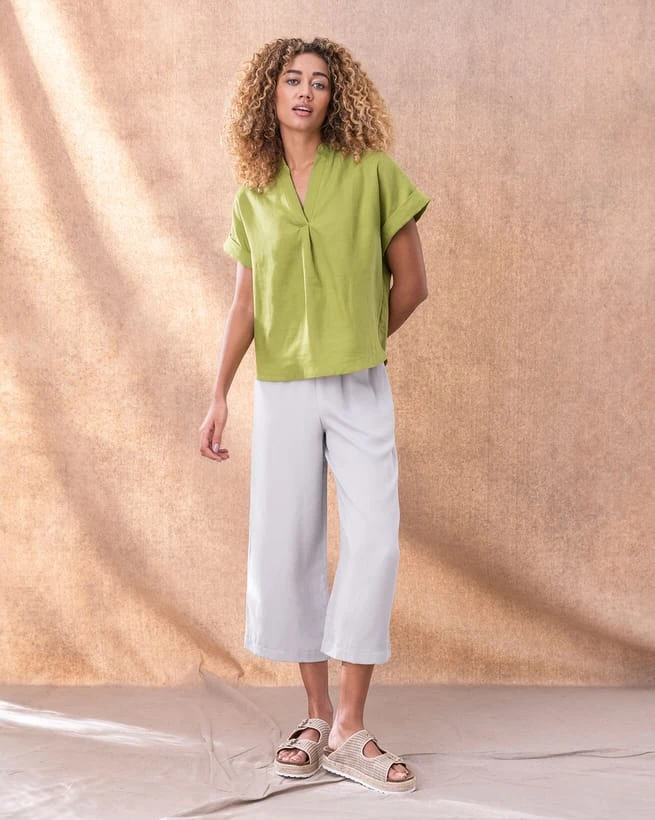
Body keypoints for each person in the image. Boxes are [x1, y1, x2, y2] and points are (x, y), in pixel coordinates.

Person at [199, 37, 430, 795]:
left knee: (375, 541)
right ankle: (314, 714)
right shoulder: (252, 194)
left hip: (358, 381)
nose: (305, 91)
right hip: (283, 390)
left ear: (337, 98)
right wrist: (218, 394)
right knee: (288, 541)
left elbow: (411, 282)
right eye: (292, 79)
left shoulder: (371, 173)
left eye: (320, 82)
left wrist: (358, 339)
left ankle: (351, 728)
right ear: (268, 94)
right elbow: (245, 304)